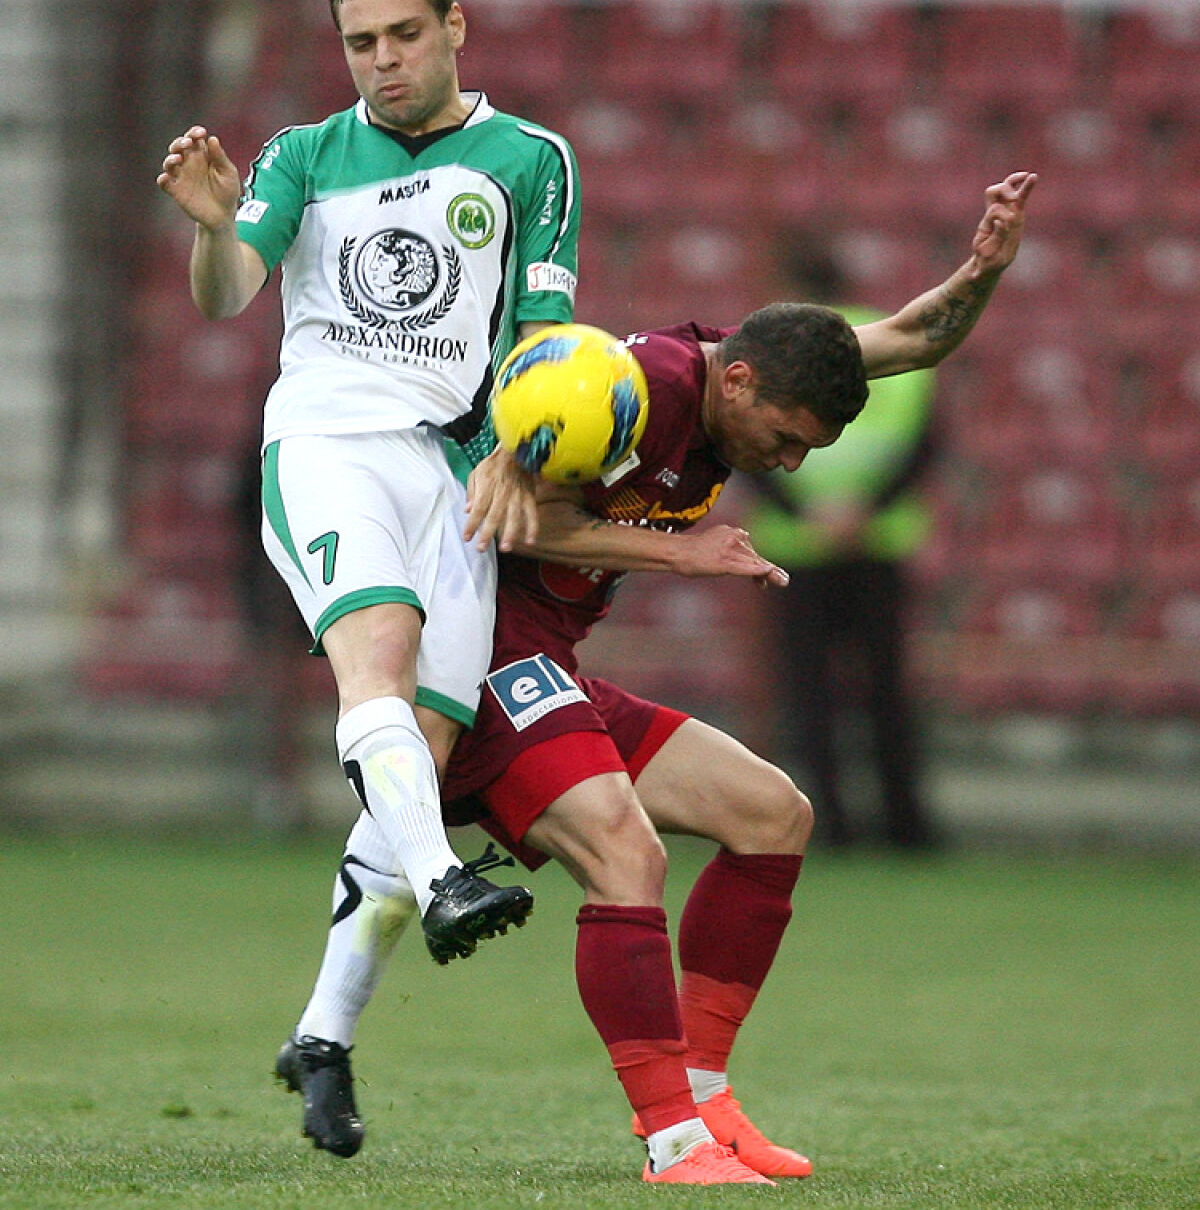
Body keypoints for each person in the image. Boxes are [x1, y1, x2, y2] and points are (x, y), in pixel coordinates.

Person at [276, 173, 1036, 1183]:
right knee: (627, 856)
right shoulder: (633, 391)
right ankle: (672, 1139)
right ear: (740, 385)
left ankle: (710, 1101)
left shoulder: (763, 371)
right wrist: (684, 552)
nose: (794, 466)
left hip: (549, 667)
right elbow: (507, 515)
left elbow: (916, 337)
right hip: (482, 664)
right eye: (789, 440)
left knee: (774, 814)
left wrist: (981, 272)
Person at [157, 0, 582, 1004]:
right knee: (377, 654)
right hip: (329, 441)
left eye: (402, 34)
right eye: (359, 43)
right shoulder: (302, 153)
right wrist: (214, 232)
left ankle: (322, 1033)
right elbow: (227, 291)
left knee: (423, 750)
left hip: (455, 469)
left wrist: (523, 460)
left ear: (453, 27)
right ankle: (444, 878)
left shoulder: (532, 158)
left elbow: (540, 332)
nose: (382, 59)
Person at [747, 300, 941, 850]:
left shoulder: (773, 345)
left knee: (812, 700)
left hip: (796, 551)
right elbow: (926, 444)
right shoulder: (888, 335)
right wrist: (869, 509)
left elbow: (742, 441)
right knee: (887, 695)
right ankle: (907, 827)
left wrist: (803, 512)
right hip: (876, 544)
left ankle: (829, 826)